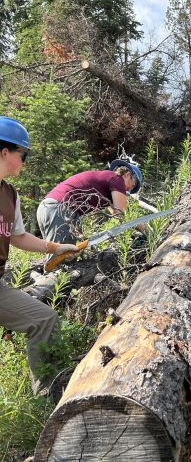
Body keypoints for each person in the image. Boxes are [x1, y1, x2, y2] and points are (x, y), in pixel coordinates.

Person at [0, 116, 79, 395]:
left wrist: (56, 248)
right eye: (24, 155)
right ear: (5, 152)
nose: (25, 162)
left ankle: (51, 392)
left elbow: (18, 236)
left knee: (45, 319)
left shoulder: (10, 194)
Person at [37, 158, 143, 245]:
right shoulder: (117, 179)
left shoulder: (106, 181)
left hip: (48, 208)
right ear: (127, 175)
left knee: (64, 254)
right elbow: (121, 214)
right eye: (132, 185)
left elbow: (116, 213)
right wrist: (146, 230)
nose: (129, 190)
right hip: (60, 210)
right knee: (61, 259)